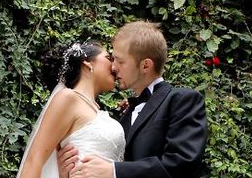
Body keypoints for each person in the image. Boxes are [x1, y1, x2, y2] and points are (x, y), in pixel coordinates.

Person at [58, 21, 207, 178]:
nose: (113, 67)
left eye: (120, 61)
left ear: (145, 66)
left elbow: (181, 164)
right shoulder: (125, 112)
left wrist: (114, 171)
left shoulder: (182, 100)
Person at [16, 42, 126, 178]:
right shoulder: (68, 98)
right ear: (87, 62)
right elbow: (34, 160)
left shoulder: (96, 110)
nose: (114, 66)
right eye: (108, 58)